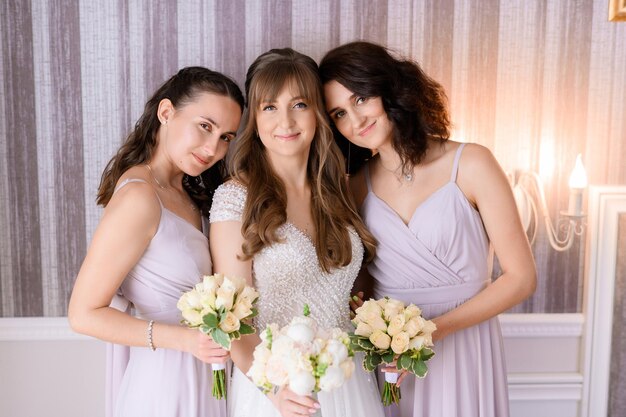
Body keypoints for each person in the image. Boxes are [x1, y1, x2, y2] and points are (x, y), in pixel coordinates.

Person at [319, 41, 537, 417]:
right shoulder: (355, 185)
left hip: (466, 343)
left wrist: (432, 331)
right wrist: (370, 322)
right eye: (338, 113)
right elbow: (362, 283)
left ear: (389, 88)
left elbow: (521, 278)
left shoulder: (471, 163)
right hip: (391, 356)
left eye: (360, 99)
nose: (353, 121)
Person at [209, 48, 386, 417]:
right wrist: (275, 391)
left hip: (348, 384)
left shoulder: (340, 192)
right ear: (254, 119)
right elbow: (233, 322)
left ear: (318, 114)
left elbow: (355, 296)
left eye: (300, 104)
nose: (285, 121)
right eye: (269, 107)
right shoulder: (234, 200)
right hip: (273, 390)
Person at [68, 67, 244, 417]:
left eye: (226, 137)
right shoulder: (140, 197)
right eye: (205, 126)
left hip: (208, 371)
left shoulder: (191, 193)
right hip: (166, 378)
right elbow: (83, 314)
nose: (213, 148)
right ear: (166, 113)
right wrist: (186, 340)